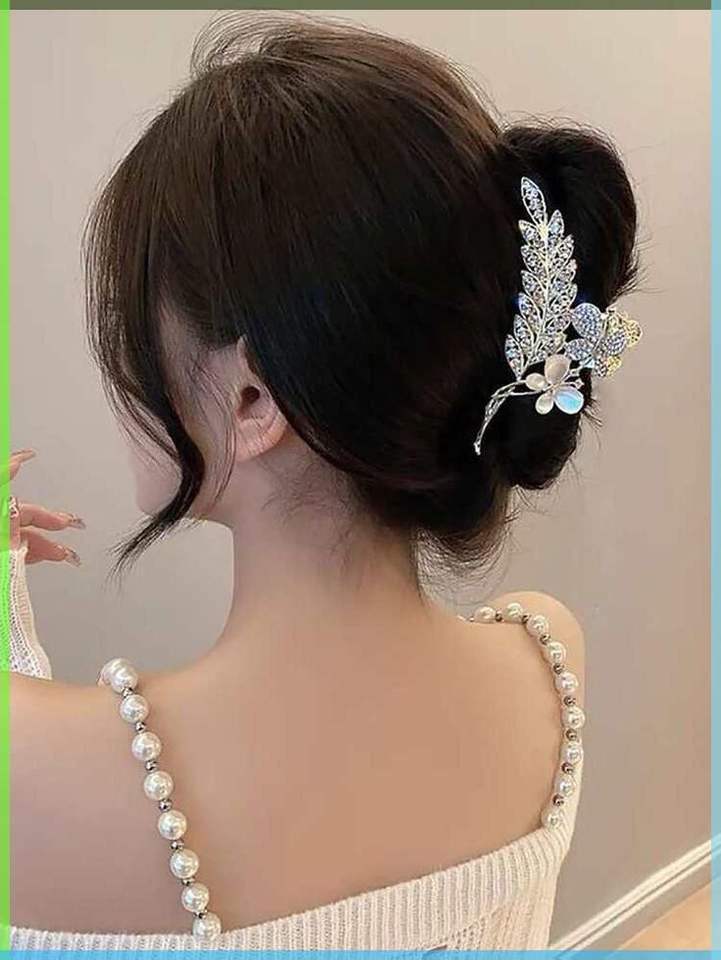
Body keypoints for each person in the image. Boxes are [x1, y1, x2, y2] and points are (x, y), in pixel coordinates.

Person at [7, 13, 640, 950]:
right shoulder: (551, 661)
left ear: (253, 400)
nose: (121, 369)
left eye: (130, 324)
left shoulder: (36, 771)